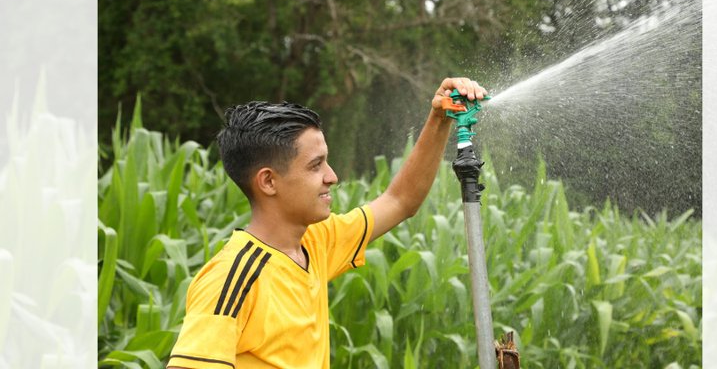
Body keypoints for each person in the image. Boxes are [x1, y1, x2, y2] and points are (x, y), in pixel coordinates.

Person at [167, 78, 488, 369]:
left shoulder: (315, 241)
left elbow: (401, 201)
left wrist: (439, 119)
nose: (332, 177)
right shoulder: (232, 278)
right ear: (268, 181)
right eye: (315, 165)